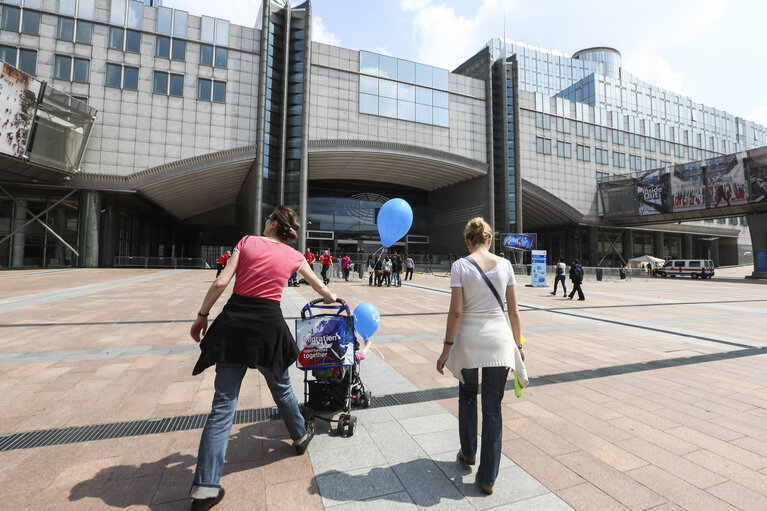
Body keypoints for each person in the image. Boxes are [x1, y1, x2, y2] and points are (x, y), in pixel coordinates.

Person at [188, 206, 336, 510]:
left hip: (234, 322)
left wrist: (202, 316)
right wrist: (330, 298)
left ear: (273, 223)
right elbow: (320, 287)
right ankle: (299, 436)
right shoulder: (294, 256)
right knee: (281, 388)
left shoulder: (247, 242)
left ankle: (205, 487)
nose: (265, 220)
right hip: (268, 326)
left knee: (223, 404)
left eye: (268, 217)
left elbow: (220, 283)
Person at [436, 217, 526, 496]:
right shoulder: (507, 265)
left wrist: (446, 348)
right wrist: (518, 346)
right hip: (499, 341)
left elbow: (456, 312)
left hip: (468, 342)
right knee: (492, 408)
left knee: (466, 395)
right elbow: (514, 312)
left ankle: (468, 453)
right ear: (489, 239)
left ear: (467, 240)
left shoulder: (460, 266)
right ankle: (487, 479)